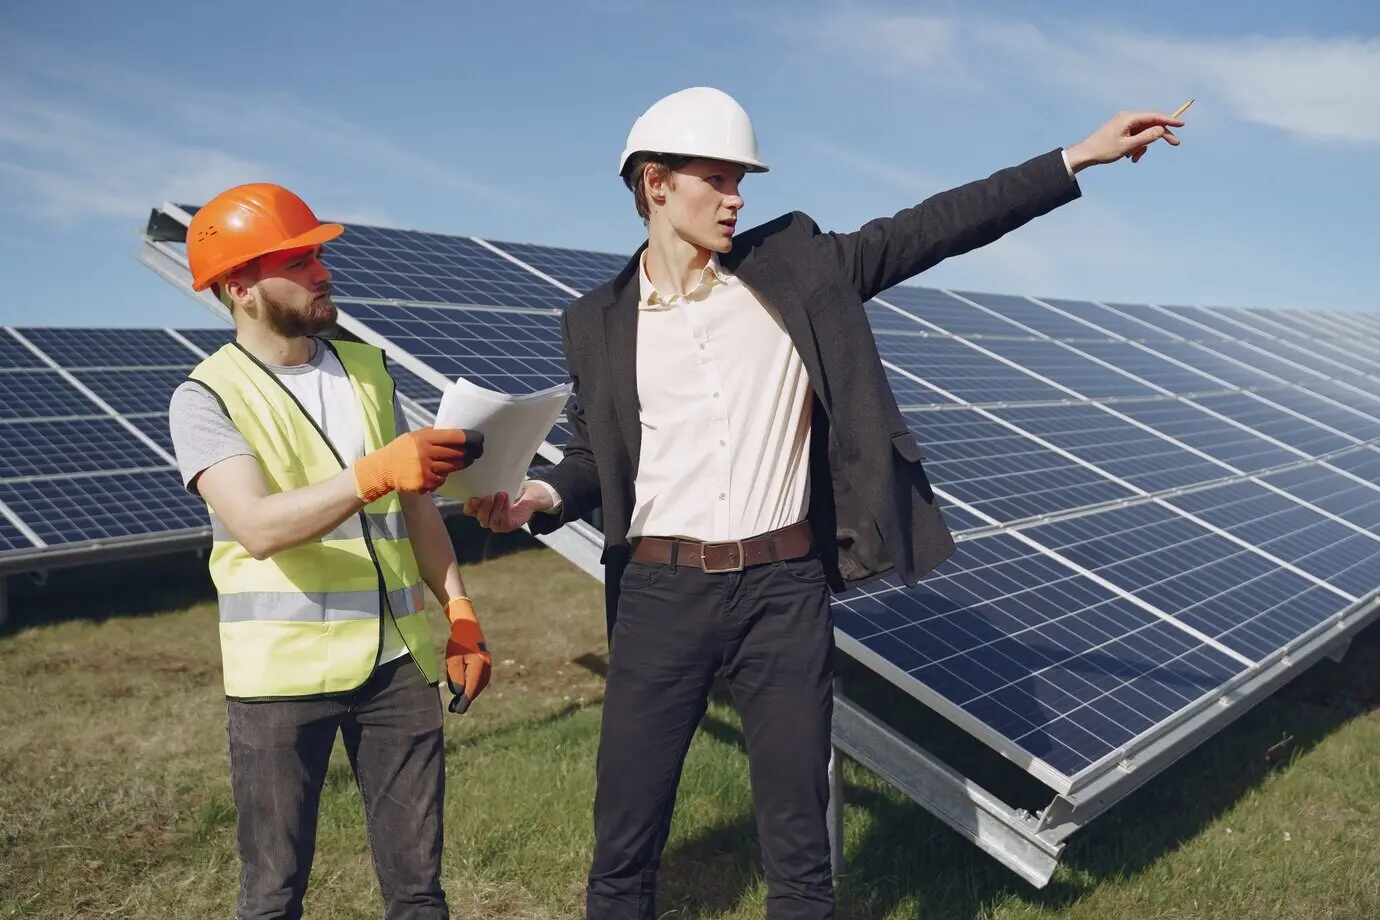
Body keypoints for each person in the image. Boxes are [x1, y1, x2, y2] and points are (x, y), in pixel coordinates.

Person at [464, 87, 1185, 919]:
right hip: (659, 595)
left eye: (741, 181)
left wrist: (1078, 155)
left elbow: (935, 226)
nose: (736, 199)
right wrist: (540, 494)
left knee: (800, 853)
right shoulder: (596, 322)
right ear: (655, 183)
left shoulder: (798, 267)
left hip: (782, 592)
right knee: (624, 845)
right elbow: (595, 454)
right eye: (716, 179)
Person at [168, 182, 493, 920]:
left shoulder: (366, 369)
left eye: (318, 255)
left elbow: (415, 505)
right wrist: (374, 472)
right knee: (273, 894)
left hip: (398, 667)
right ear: (240, 287)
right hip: (281, 680)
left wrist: (460, 611)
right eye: (299, 261)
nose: (323, 271)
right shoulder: (206, 397)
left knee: (419, 892)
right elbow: (256, 526)